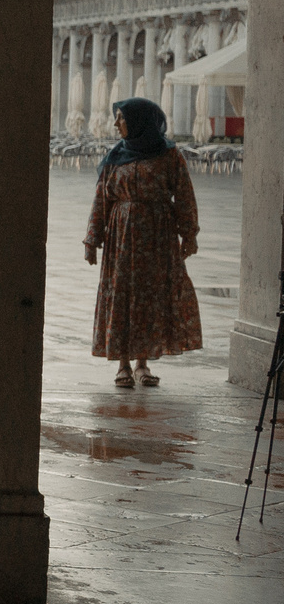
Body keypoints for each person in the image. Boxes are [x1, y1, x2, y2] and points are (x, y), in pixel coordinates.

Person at [85, 96, 200, 389]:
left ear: (139, 121)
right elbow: (102, 199)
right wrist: (92, 239)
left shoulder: (169, 155)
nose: (116, 123)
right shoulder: (115, 156)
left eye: (121, 118)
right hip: (121, 237)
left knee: (150, 297)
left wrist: (189, 233)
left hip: (157, 237)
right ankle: (123, 364)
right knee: (123, 293)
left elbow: (185, 194)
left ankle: (143, 364)